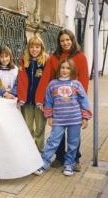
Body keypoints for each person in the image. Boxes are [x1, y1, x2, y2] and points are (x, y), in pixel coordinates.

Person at [36, 28, 89, 171]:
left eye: (67, 39)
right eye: (62, 40)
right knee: (56, 135)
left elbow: (83, 80)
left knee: (73, 136)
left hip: (73, 102)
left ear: (72, 40)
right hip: (58, 101)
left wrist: (81, 106)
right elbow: (47, 77)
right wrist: (42, 101)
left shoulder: (80, 56)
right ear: (59, 42)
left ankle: (73, 160)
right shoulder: (53, 57)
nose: (65, 43)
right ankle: (59, 157)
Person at [17, 36, 48, 152]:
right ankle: (29, 152)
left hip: (40, 101)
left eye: (37, 47)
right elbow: (21, 81)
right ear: (28, 48)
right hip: (27, 101)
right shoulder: (24, 61)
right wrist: (20, 97)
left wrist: (45, 100)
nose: (34, 49)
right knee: (27, 127)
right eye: (32, 47)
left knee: (40, 128)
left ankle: (39, 151)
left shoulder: (46, 61)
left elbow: (48, 81)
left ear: (41, 48)